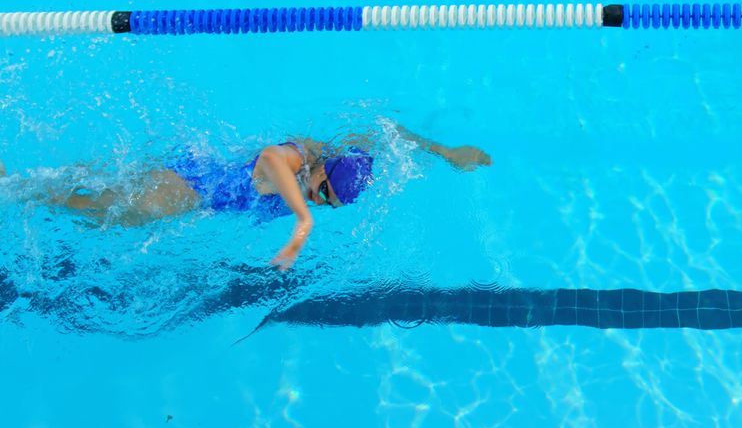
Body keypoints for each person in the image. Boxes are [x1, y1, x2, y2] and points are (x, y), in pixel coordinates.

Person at [0, 125, 491, 270]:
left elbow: (382, 134)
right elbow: (269, 160)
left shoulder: (332, 164)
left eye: (327, 206)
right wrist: (302, 220)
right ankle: (18, 189)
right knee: (121, 214)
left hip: (199, 189)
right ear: (320, 171)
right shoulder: (300, 157)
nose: (318, 203)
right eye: (322, 195)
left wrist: (443, 150)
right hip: (191, 187)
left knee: (110, 198)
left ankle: (28, 184)